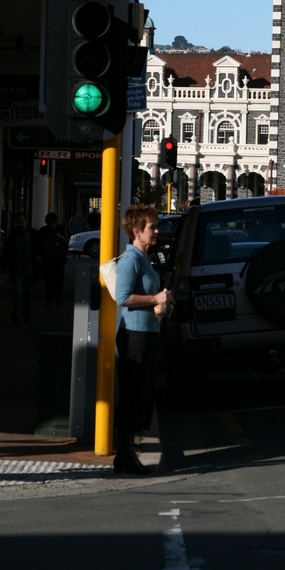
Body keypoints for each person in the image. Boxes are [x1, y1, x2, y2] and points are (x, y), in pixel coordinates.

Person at [113, 203, 174, 475]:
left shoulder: (145, 259)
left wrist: (163, 304)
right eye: (152, 227)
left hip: (147, 334)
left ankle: (128, 453)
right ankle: (124, 455)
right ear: (137, 231)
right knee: (132, 395)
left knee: (142, 394)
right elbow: (123, 297)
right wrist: (155, 298)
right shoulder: (131, 260)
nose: (157, 231)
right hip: (134, 335)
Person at [0, 212, 44, 323]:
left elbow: (41, 247)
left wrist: (39, 256)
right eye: (18, 223)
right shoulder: (13, 235)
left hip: (29, 269)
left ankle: (26, 314)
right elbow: (7, 251)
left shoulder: (33, 234)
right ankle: (18, 313)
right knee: (18, 293)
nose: (20, 225)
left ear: (26, 222)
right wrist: (3, 265)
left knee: (28, 293)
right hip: (17, 269)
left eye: (22, 222)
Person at [38, 213, 68, 307]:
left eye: (53, 223)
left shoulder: (44, 230)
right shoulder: (59, 229)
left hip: (54, 258)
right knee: (52, 280)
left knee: (54, 280)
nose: (52, 226)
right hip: (53, 258)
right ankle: (53, 298)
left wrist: (60, 238)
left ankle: (53, 298)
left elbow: (66, 242)